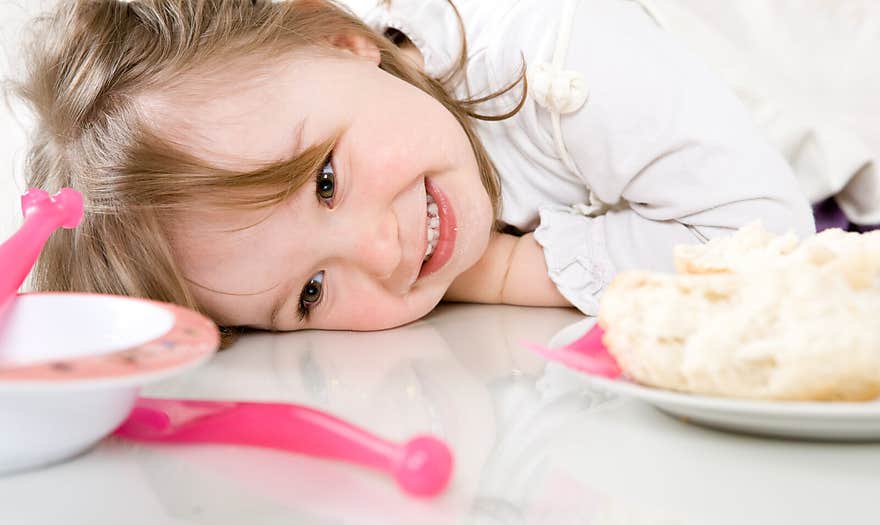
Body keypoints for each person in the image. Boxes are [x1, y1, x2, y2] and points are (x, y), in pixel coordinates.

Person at [14, 0, 822, 343]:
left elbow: (755, 242)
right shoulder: (380, 126)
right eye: (310, 293)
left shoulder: (551, 48)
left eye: (326, 180)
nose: (382, 251)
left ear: (338, 39)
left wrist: (498, 271)